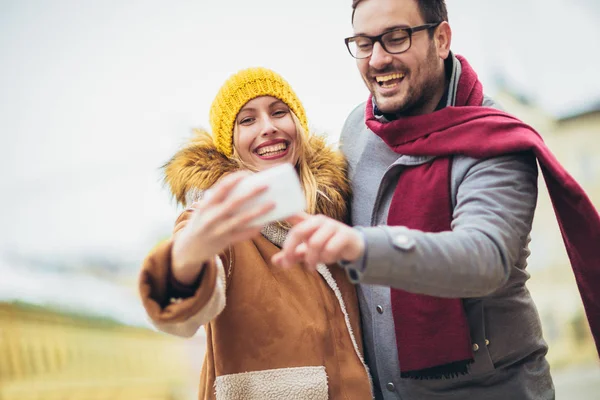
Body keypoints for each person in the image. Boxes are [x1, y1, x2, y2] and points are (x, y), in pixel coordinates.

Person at [272, 0, 600, 399]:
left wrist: (361, 247)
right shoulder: (358, 127)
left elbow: (484, 258)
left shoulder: (495, 139)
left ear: (441, 38)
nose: (377, 59)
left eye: (395, 38)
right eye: (363, 43)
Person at [138, 67, 373, 400]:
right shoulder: (218, 221)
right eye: (247, 120)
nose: (269, 127)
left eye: (279, 112)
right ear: (230, 143)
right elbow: (182, 319)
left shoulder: (336, 218)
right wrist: (187, 256)